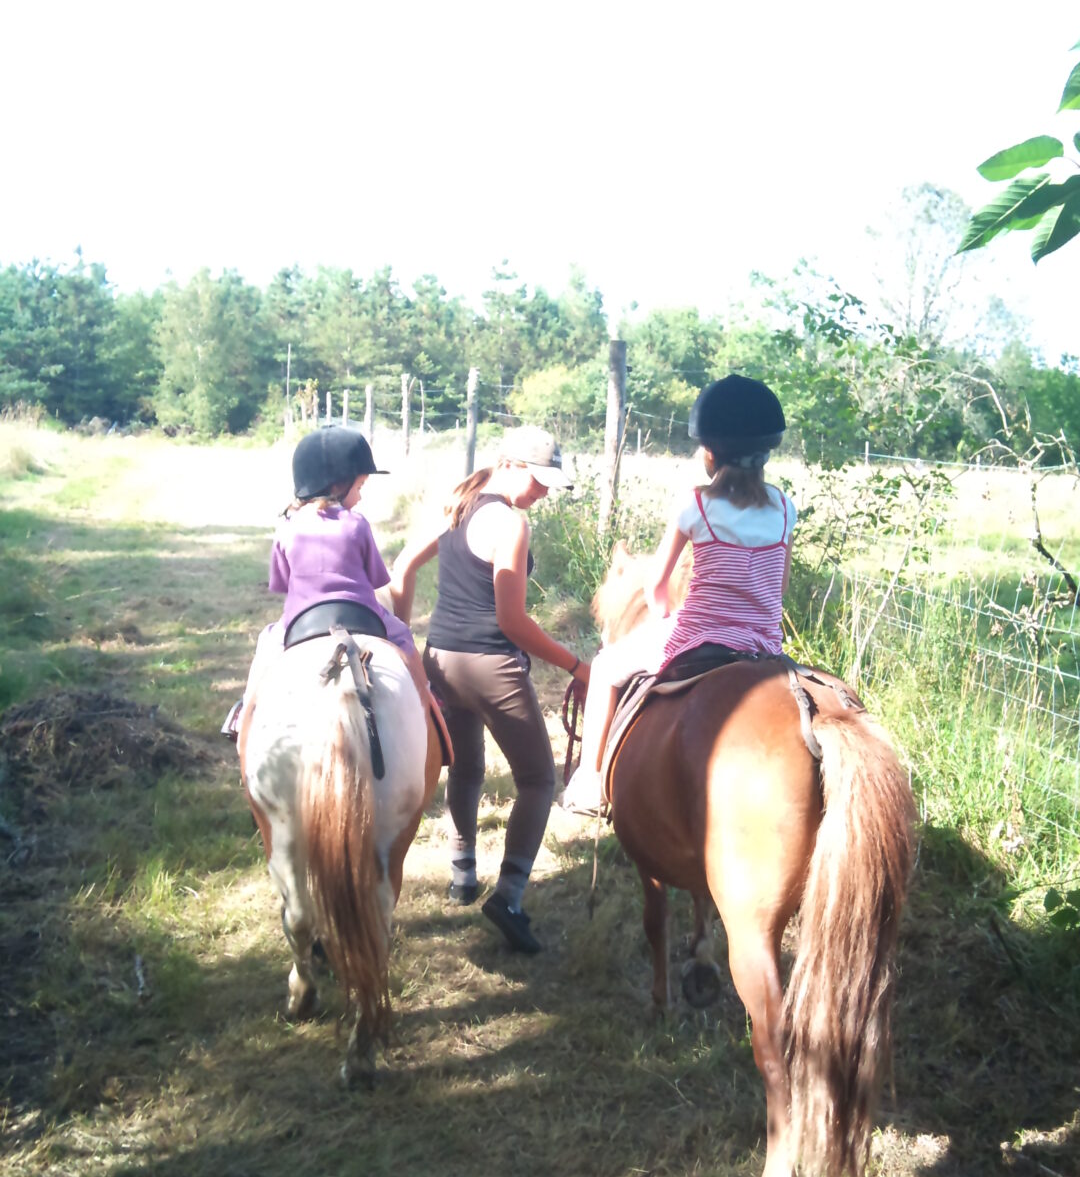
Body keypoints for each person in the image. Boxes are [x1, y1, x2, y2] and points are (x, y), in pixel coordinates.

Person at [390, 426, 589, 954]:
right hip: (490, 666)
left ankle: (461, 874)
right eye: (541, 481)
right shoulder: (512, 523)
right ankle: (510, 896)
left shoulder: (457, 503)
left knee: (468, 768)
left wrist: (403, 640)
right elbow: (514, 621)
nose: (544, 493)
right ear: (511, 465)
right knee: (539, 780)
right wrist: (575, 666)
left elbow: (402, 568)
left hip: (440, 659)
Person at [561, 374, 796, 817]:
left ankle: (590, 784)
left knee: (609, 666)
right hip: (763, 643)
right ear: (766, 453)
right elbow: (778, 587)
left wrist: (666, 615)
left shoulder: (695, 504)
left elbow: (655, 586)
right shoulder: (784, 507)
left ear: (710, 452)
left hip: (698, 636)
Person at [222, 426, 428, 736]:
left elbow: (280, 583)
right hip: (363, 616)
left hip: (302, 621)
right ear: (338, 485)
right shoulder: (357, 524)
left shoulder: (287, 527)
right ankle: (426, 709)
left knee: (266, 649)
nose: (360, 497)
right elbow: (376, 580)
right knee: (405, 640)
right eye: (359, 487)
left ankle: (246, 716)